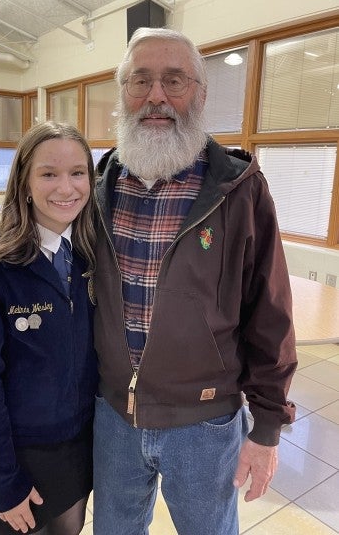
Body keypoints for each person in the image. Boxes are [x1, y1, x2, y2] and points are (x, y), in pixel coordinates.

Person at [92, 27, 297, 535]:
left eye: (174, 80)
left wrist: (267, 428)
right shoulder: (97, 187)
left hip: (204, 424)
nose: (156, 96)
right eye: (140, 81)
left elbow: (270, 314)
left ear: (200, 94)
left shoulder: (239, 190)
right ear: (122, 94)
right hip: (114, 416)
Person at [0, 121, 98, 535]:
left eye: (77, 173)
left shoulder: (91, 257)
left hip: (78, 445)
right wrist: (1, 481)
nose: (66, 188)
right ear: (24, 182)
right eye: (48, 173)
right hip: (19, 455)